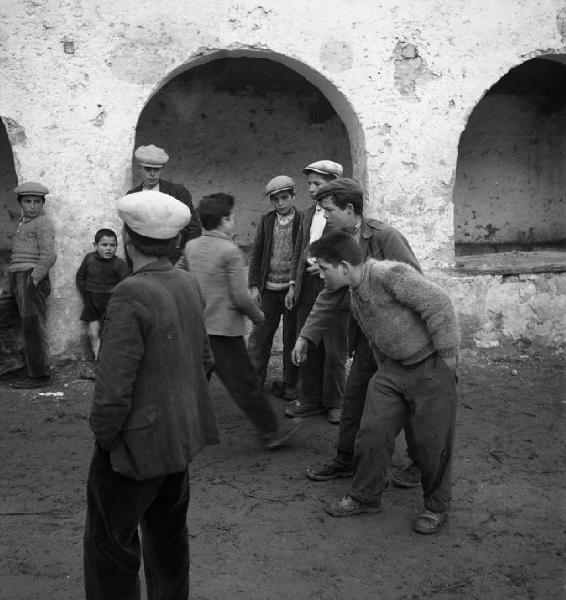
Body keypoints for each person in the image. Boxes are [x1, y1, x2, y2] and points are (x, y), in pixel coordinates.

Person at [84, 190, 218, 600]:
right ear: (177, 242)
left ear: (126, 238)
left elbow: (112, 390)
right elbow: (206, 362)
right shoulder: (187, 283)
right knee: (169, 538)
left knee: (111, 547)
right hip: (178, 441)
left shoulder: (129, 293)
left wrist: (107, 440)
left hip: (133, 449)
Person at [301, 230, 459, 534]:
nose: (320, 275)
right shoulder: (354, 291)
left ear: (344, 267)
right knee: (371, 432)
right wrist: (385, 367)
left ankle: (436, 507)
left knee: (433, 443)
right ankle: (366, 496)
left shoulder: (389, 274)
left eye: (323, 268)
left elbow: (438, 303)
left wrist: (448, 360)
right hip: (392, 372)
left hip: (430, 368)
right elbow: (375, 336)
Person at [292, 178, 423, 488]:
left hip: (399, 341)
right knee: (353, 399)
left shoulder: (385, 237)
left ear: (350, 209)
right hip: (367, 340)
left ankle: (420, 463)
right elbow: (330, 293)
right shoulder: (337, 238)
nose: (324, 216)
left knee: (410, 402)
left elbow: (416, 285)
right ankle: (345, 459)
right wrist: (306, 335)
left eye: (328, 210)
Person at [182, 193, 301, 450]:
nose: (233, 221)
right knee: (245, 384)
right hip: (224, 331)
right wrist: (259, 317)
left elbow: (182, 274)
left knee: (194, 382)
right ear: (224, 220)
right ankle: (271, 432)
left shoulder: (192, 247)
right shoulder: (229, 251)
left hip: (198, 327)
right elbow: (240, 296)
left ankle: (177, 429)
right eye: (232, 217)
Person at [284, 160, 349, 424]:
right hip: (307, 286)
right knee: (307, 341)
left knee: (334, 348)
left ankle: (335, 401)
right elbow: (299, 249)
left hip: (333, 287)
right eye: (309, 183)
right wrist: (292, 284)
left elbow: (348, 251)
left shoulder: (342, 215)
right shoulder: (309, 214)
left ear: (333, 184)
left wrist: (326, 266)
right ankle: (310, 398)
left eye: (318, 184)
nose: (311, 189)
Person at [247, 175, 301, 401]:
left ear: (293, 196)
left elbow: (302, 255)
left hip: (291, 290)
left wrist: (294, 287)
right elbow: (257, 252)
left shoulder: (302, 220)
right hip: (268, 288)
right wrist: (253, 285)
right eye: (275, 199)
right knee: (260, 335)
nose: (280, 203)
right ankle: (254, 382)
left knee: (292, 337)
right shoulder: (267, 221)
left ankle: (290, 384)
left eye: (284, 197)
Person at [8, 181, 56, 389]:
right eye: (28, 201)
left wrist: (34, 278)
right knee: (8, 319)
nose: (33, 206)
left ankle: (39, 375)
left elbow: (48, 254)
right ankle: (13, 365)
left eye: (37, 202)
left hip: (31, 277)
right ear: (20, 203)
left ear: (42, 204)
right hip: (16, 275)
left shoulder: (43, 223)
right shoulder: (22, 222)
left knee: (32, 326)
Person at [127, 144, 202, 262]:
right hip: (143, 259)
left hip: (173, 259)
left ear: (161, 169)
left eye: (156, 169)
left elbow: (194, 228)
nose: (152, 174)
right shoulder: (131, 196)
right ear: (139, 168)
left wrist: (184, 256)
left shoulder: (177, 192)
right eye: (147, 169)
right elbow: (129, 232)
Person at [76, 228, 128, 360]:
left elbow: (125, 284)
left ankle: (110, 361)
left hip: (110, 304)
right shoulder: (89, 259)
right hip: (92, 302)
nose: (108, 249)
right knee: (93, 333)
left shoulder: (118, 264)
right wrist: (87, 292)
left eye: (112, 245)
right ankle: (98, 361)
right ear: (95, 245)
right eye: (104, 245)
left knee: (110, 333)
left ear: (117, 246)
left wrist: (115, 295)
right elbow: (80, 277)